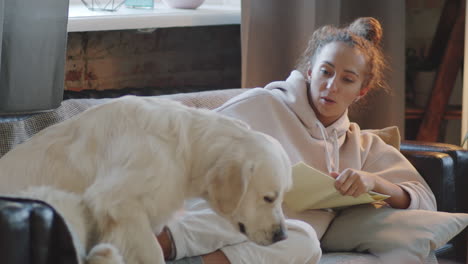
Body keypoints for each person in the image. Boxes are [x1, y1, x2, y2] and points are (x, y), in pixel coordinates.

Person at [158, 17, 437, 264]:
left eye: (347, 79)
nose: (331, 86)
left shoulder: (362, 146)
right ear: (310, 72)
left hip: (266, 234)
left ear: (361, 91)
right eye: (325, 72)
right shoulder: (261, 104)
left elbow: (425, 200)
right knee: (250, 206)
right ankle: (156, 247)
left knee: (305, 241)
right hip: (213, 211)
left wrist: (373, 182)